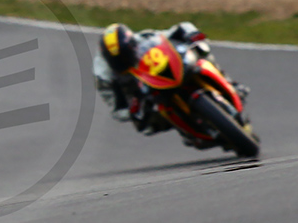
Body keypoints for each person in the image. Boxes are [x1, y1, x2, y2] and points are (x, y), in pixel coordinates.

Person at [92, 22, 250, 148]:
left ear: (132, 43)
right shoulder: (104, 75)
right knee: (145, 125)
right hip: (139, 92)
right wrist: (131, 110)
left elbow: (172, 32)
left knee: (201, 52)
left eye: (127, 55)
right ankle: (185, 130)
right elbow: (116, 109)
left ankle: (229, 82)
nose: (125, 60)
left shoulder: (144, 38)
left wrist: (189, 33)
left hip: (160, 71)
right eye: (119, 60)